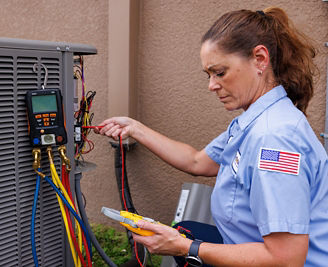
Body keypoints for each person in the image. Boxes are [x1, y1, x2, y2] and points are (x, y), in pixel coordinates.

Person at [96, 7, 328, 266]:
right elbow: (197, 162)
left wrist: (186, 247)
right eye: (208, 75)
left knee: (184, 238)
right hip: (242, 246)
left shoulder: (273, 139)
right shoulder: (253, 122)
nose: (212, 85)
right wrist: (135, 128)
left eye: (220, 72)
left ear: (260, 59)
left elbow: (286, 260)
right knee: (186, 226)